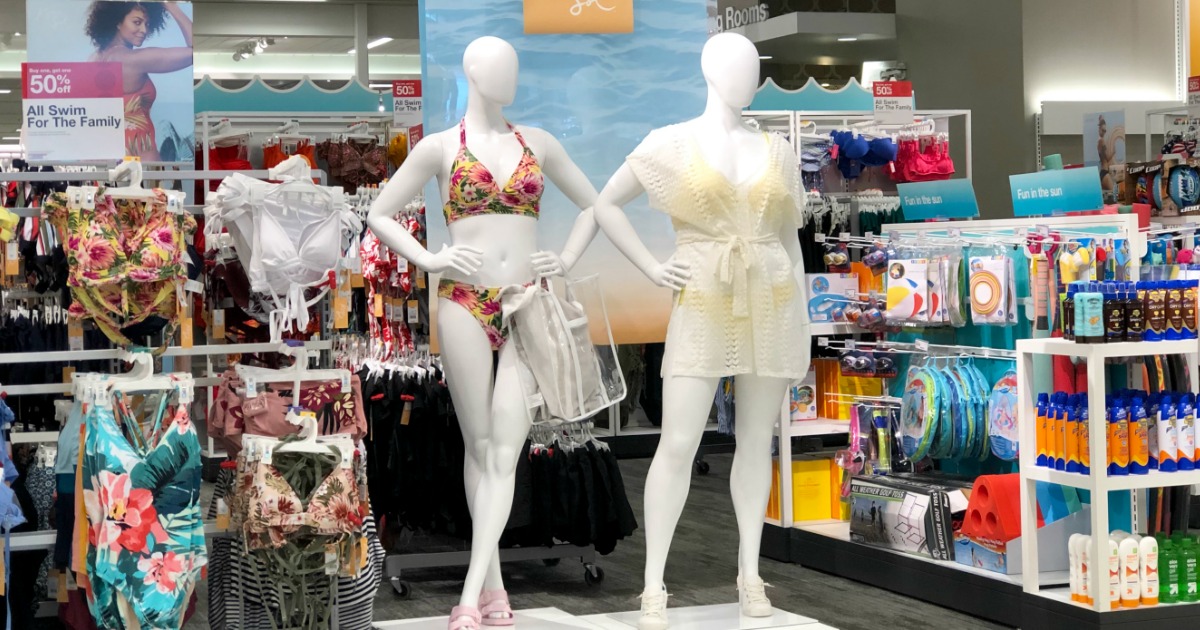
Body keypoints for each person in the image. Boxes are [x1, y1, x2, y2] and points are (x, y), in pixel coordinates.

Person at [86, 1, 192, 161]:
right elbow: (194, 51)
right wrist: (170, 5)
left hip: (105, 159)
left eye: (147, 24)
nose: (144, 30)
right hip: (142, 163)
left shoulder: (95, 58)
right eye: (137, 22)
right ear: (117, 21)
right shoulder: (133, 60)